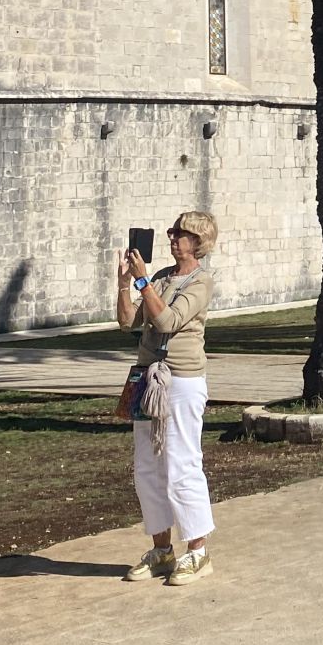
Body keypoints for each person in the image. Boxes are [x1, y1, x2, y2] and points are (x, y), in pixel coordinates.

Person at [116, 211, 219, 585]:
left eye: (182, 234)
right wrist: (125, 284)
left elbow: (167, 322)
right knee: (147, 466)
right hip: (147, 378)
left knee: (181, 464)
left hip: (182, 380)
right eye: (173, 233)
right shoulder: (159, 278)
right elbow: (129, 321)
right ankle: (161, 550)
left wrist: (143, 279)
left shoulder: (201, 281)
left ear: (199, 242)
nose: (173, 238)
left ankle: (198, 551)